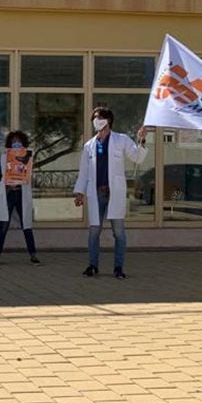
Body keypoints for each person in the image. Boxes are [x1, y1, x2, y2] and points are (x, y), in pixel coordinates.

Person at [73, 106, 147, 279]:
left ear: (108, 121)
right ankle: (92, 265)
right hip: (96, 193)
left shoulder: (121, 140)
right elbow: (84, 171)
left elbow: (137, 157)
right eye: (94, 118)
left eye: (99, 118)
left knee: (119, 233)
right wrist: (79, 192)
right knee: (94, 231)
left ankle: (118, 268)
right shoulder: (89, 145)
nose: (96, 121)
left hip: (114, 193)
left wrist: (142, 140)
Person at [0, 130, 40, 265]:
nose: (16, 144)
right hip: (9, 193)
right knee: (4, 225)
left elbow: (28, 175)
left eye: (18, 141)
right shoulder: (5, 157)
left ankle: (33, 254)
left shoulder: (27, 157)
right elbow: (4, 174)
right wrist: (9, 185)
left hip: (22, 192)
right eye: (13, 142)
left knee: (26, 224)